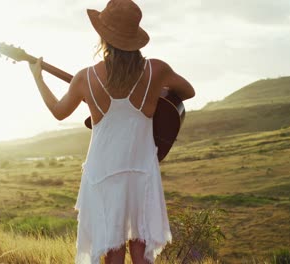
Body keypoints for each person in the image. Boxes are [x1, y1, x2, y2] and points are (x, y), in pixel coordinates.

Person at [28, 0, 195, 263]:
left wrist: (38, 77)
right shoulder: (157, 69)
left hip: (103, 172)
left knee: (112, 249)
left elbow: (59, 111)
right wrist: (157, 95)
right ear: (135, 37)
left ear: (104, 37)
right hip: (140, 169)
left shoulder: (86, 78)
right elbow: (188, 91)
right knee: (140, 249)